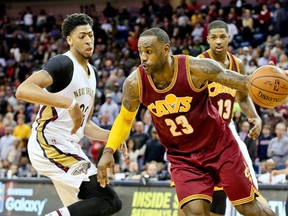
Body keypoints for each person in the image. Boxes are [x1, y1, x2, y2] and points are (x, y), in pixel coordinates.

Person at [97, 27, 276, 215]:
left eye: (148, 52)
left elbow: (243, 81)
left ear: (166, 49)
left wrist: (273, 79)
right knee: (194, 212)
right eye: (140, 52)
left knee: (249, 208)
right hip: (183, 157)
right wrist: (109, 150)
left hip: (219, 147)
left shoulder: (195, 69)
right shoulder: (135, 83)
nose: (143, 57)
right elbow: (125, 119)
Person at [15, 13, 123, 216]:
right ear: (70, 40)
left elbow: (85, 124)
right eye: (82, 36)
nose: (88, 40)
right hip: (48, 142)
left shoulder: (93, 73)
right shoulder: (63, 64)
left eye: (90, 35)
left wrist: (112, 137)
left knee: (90, 209)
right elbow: (23, 90)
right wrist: (70, 103)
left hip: (69, 146)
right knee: (109, 199)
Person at [196, 20, 263, 216]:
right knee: (199, 195)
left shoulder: (237, 64)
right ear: (207, 39)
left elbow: (242, 97)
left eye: (222, 37)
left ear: (229, 38)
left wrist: (255, 117)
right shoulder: (198, 63)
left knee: (245, 181)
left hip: (225, 129)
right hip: (201, 132)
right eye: (214, 37)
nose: (218, 41)